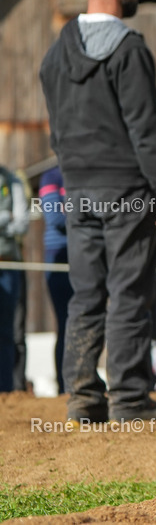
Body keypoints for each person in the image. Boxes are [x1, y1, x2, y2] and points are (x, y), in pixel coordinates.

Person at [38, 0, 156, 422]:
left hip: (76, 192)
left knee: (86, 293)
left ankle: (82, 397)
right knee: (128, 292)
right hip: (127, 192)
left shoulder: (56, 52)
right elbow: (146, 130)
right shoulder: (129, 48)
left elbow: (57, 130)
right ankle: (129, 398)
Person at [39, 166, 73, 393]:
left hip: (89, 258)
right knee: (65, 324)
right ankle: (64, 386)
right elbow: (55, 219)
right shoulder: (51, 176)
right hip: (60, 260)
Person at [0, 163, 28, 392]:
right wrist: (5, 217)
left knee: (9, 332)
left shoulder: (12, 179)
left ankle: (7, 390)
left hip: (8, 263)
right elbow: (12, 220)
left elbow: (22, 223)